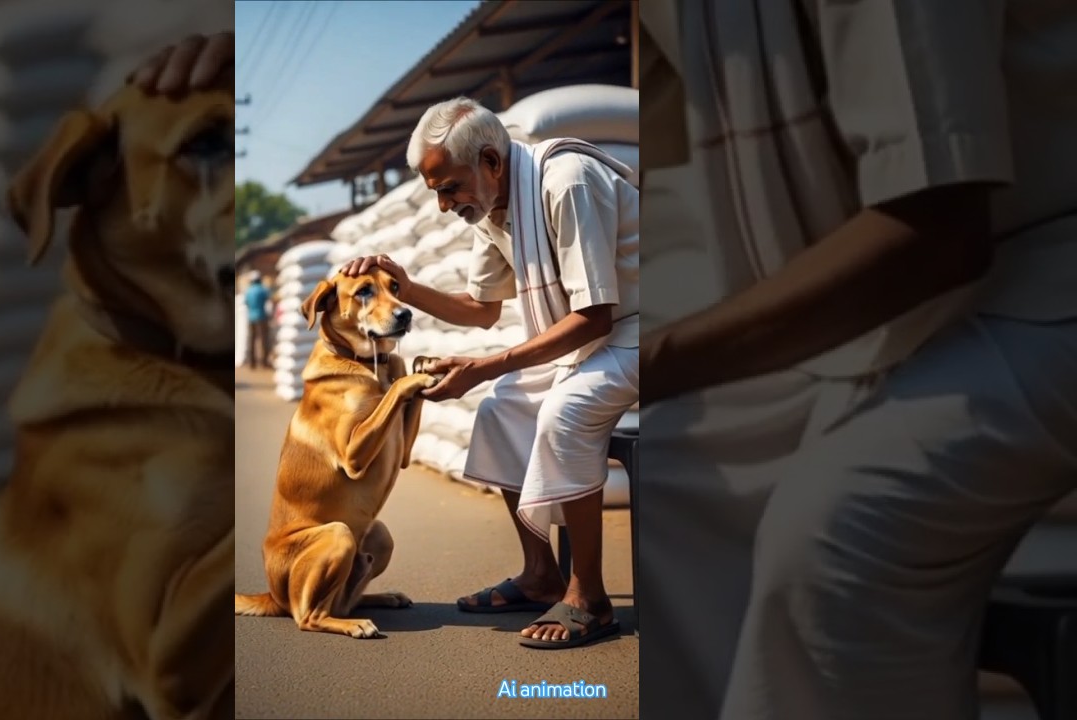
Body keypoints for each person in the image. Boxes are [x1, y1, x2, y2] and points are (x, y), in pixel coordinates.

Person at [637, 3, 1077, 719]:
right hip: (891, 301)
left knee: (842, 532)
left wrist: (648, 363)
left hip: (1046, 270)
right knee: (656, 472)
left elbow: (938, 229)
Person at [341, 97, 640, 649]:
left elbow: (596, 314)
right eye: (436, 192)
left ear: (491, 162)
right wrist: (402, 286)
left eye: (449, 188)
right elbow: (481, 310)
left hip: (640, 332)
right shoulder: (492, 206)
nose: (443, 205)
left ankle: (590, 598)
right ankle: (540, 574)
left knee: (566, 411)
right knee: (500, 407)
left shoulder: (566, 182)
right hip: (592, 343)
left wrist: (482, 367)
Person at [243, 270, 273, 369]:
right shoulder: (263, 290)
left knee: (252, 340)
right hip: (261, 317)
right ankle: (264, 362)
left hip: (251, 317)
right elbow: (268, 301)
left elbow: (246, 303)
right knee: (263, 339)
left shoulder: (248, 291)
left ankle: (252, 363)